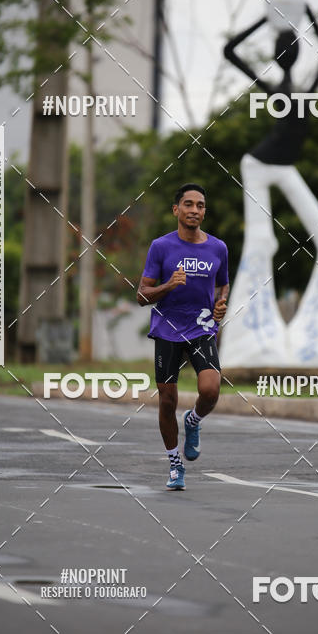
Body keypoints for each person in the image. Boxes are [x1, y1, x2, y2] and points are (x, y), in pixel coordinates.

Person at [137, 184, 229, 491]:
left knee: (211, 389)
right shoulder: (161, 247)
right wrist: (168, 286)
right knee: (167, 401)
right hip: (168, 329)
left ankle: (193, 421)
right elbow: (141, 295)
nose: (194, 210)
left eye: (200, 205)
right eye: (188, 204)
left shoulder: (218, 248)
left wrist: (221, 305)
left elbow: (223, 285)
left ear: (204, 211)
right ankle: (175, 465)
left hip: (201, 327)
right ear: (176, 210)